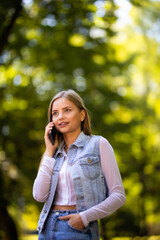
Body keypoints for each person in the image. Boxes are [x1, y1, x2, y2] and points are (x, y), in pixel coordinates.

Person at [33, 89, 126, 240]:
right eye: (55, 113)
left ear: (82, 115)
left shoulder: (98, 144)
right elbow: (39, 195)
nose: (60, 117)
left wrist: (83, 218)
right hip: (46, 227)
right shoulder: (52, 153)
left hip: (78, 229)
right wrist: (49, 151)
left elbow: (118, 196)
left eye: (67, 110)